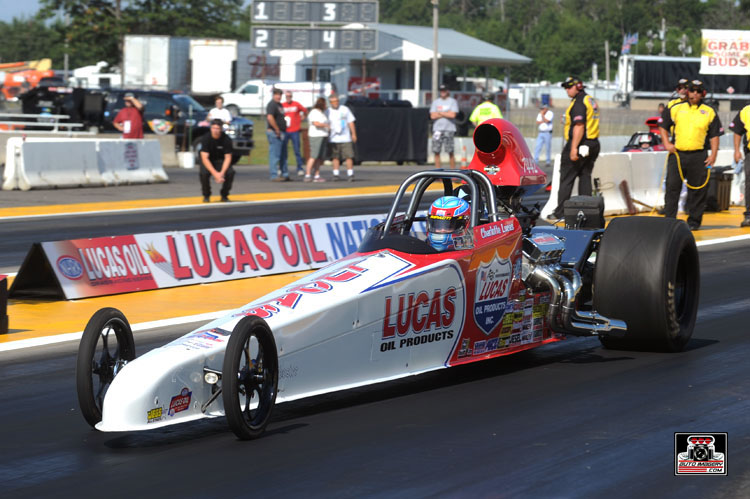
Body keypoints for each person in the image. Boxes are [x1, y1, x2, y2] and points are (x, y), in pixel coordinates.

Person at [659, 79, 723, 231]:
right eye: (692, 90)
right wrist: (667, 144)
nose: (695, 93)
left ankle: (694, 221)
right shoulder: (675, 107)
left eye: (698, 91)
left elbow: (715, 135)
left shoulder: (709, 111)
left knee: (698, 190)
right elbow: (663, 125)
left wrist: (713, 155)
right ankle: (669, 220)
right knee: (672, 187)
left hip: (699, 155)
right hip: (678, 154)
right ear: (687, 92)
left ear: (703, 94)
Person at [550, 76, 601, 220]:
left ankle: (561, 212)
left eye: (569, 87)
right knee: (585, 177)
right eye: (565, 87)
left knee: (566, 178)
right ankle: (585, 211)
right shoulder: (588, 99)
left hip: (579, 143)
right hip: (592, 143)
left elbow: (579, 125)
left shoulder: (579, 102)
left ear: (578, 86)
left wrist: (573, 148)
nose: (566, 90)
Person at [198, 119, 234, 202]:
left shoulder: (226, 139)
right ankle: (206, 195)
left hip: (221, 160)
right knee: (204, 173)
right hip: (208, 160)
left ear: (221, 129)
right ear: (210, 128)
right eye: (213, 128)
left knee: (230, 172)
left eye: (217, 128)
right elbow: (204, 158)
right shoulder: (206, 138)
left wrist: (221, 173)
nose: (215, 131)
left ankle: (224, 195)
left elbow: (228, 157)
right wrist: (215, 174)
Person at [728, 103, 750, 227]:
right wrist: (737, 150)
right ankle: (749, 215)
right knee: (749, 184)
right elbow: (737, 131)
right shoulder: (746, 111)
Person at [326, 94, 357, 181]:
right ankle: (336, 174)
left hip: (345, 137)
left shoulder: (344, 109)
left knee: (349, 156)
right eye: (333, 102)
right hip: (333, 138)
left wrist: (353, 134)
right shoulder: (328, 111)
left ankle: (350, 174)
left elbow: (351, 122)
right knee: (335, 157)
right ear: (330, 102)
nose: (336, 103)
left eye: (337, 101)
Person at [430, 84, 459, 169]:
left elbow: (453, 115)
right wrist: (446, 113)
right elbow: (432, 116)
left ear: (447, 91)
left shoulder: (452, 101)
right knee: (436, 151)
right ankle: (438, 171)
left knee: (450, 151)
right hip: (437, 130)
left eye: (444, 90)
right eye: (441, 91)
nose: (442, 92)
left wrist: (439, 113)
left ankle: (453, 172)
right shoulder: (436, 102)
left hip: (449, 129)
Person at [281, 91, 308, 177]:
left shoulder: (296, 104)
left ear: (292, 96)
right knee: (283, 150)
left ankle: (300, 167)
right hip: (285, 130)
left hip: (295, 130)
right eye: (287, 96)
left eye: (290, 96)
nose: (288, 98)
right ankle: (282, 168)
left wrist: (303, 117)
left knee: (297, 150)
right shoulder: (282, 105)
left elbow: (305, 110)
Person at [304, 97, 330, 183]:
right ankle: (307, 174)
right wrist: (326, 126)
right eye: (325, 104)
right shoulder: (314, 112)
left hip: (323, 135)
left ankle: (317, 175)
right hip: (316, 136)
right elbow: (315, 123)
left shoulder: (322, 113)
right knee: (313, 156)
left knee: (319, 157)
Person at [266, 88, 289, 181]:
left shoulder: (279, 105)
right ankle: (274, 175)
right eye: (276, 94)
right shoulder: (272, 105)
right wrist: (276, 129)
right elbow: (270, 117)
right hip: (275, 132)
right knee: (275, 155)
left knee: (283, 155)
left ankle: (285, 174)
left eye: (280, 95)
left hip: (282, 132)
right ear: (273, 95)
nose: (278, 96)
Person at [534, 103, 554, 168]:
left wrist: (542, 116)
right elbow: (537, 122)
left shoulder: (550, 113)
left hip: (547, 133)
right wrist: (543, 120)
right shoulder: (540, 114)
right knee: (538, 146)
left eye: (543, 108)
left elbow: (547, 121)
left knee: (548, 147)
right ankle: (536, 161)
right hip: (541, 132)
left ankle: (548, 161)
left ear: (546, 109)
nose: (541, 110)